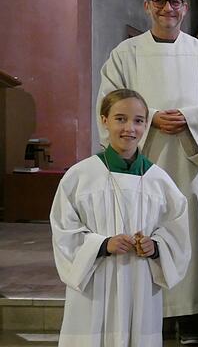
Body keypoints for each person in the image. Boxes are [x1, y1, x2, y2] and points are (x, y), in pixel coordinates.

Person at [98, 0, 198, 344]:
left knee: (189, 230)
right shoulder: (125, 55)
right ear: (147, 6)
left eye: (174, 2)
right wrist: (152, 116)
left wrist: (190, 118)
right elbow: (109, 101)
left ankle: (191, 312)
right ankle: (151, 310)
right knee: (146, 225)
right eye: (159, 2)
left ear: (184, 8)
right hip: (144, 159)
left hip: (190, 162)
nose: (167, 9)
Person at [51, 89, 190, 347]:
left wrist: (156, 246)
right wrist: (103, 245)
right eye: (120, 119)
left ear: (146, 125)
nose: (130, 128)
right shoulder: (80, 176)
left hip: (140, 283)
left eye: (138, 121)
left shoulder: (159, 180)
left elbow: (177, 232)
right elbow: (63, 230)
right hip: (94, 284)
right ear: (104, 121)